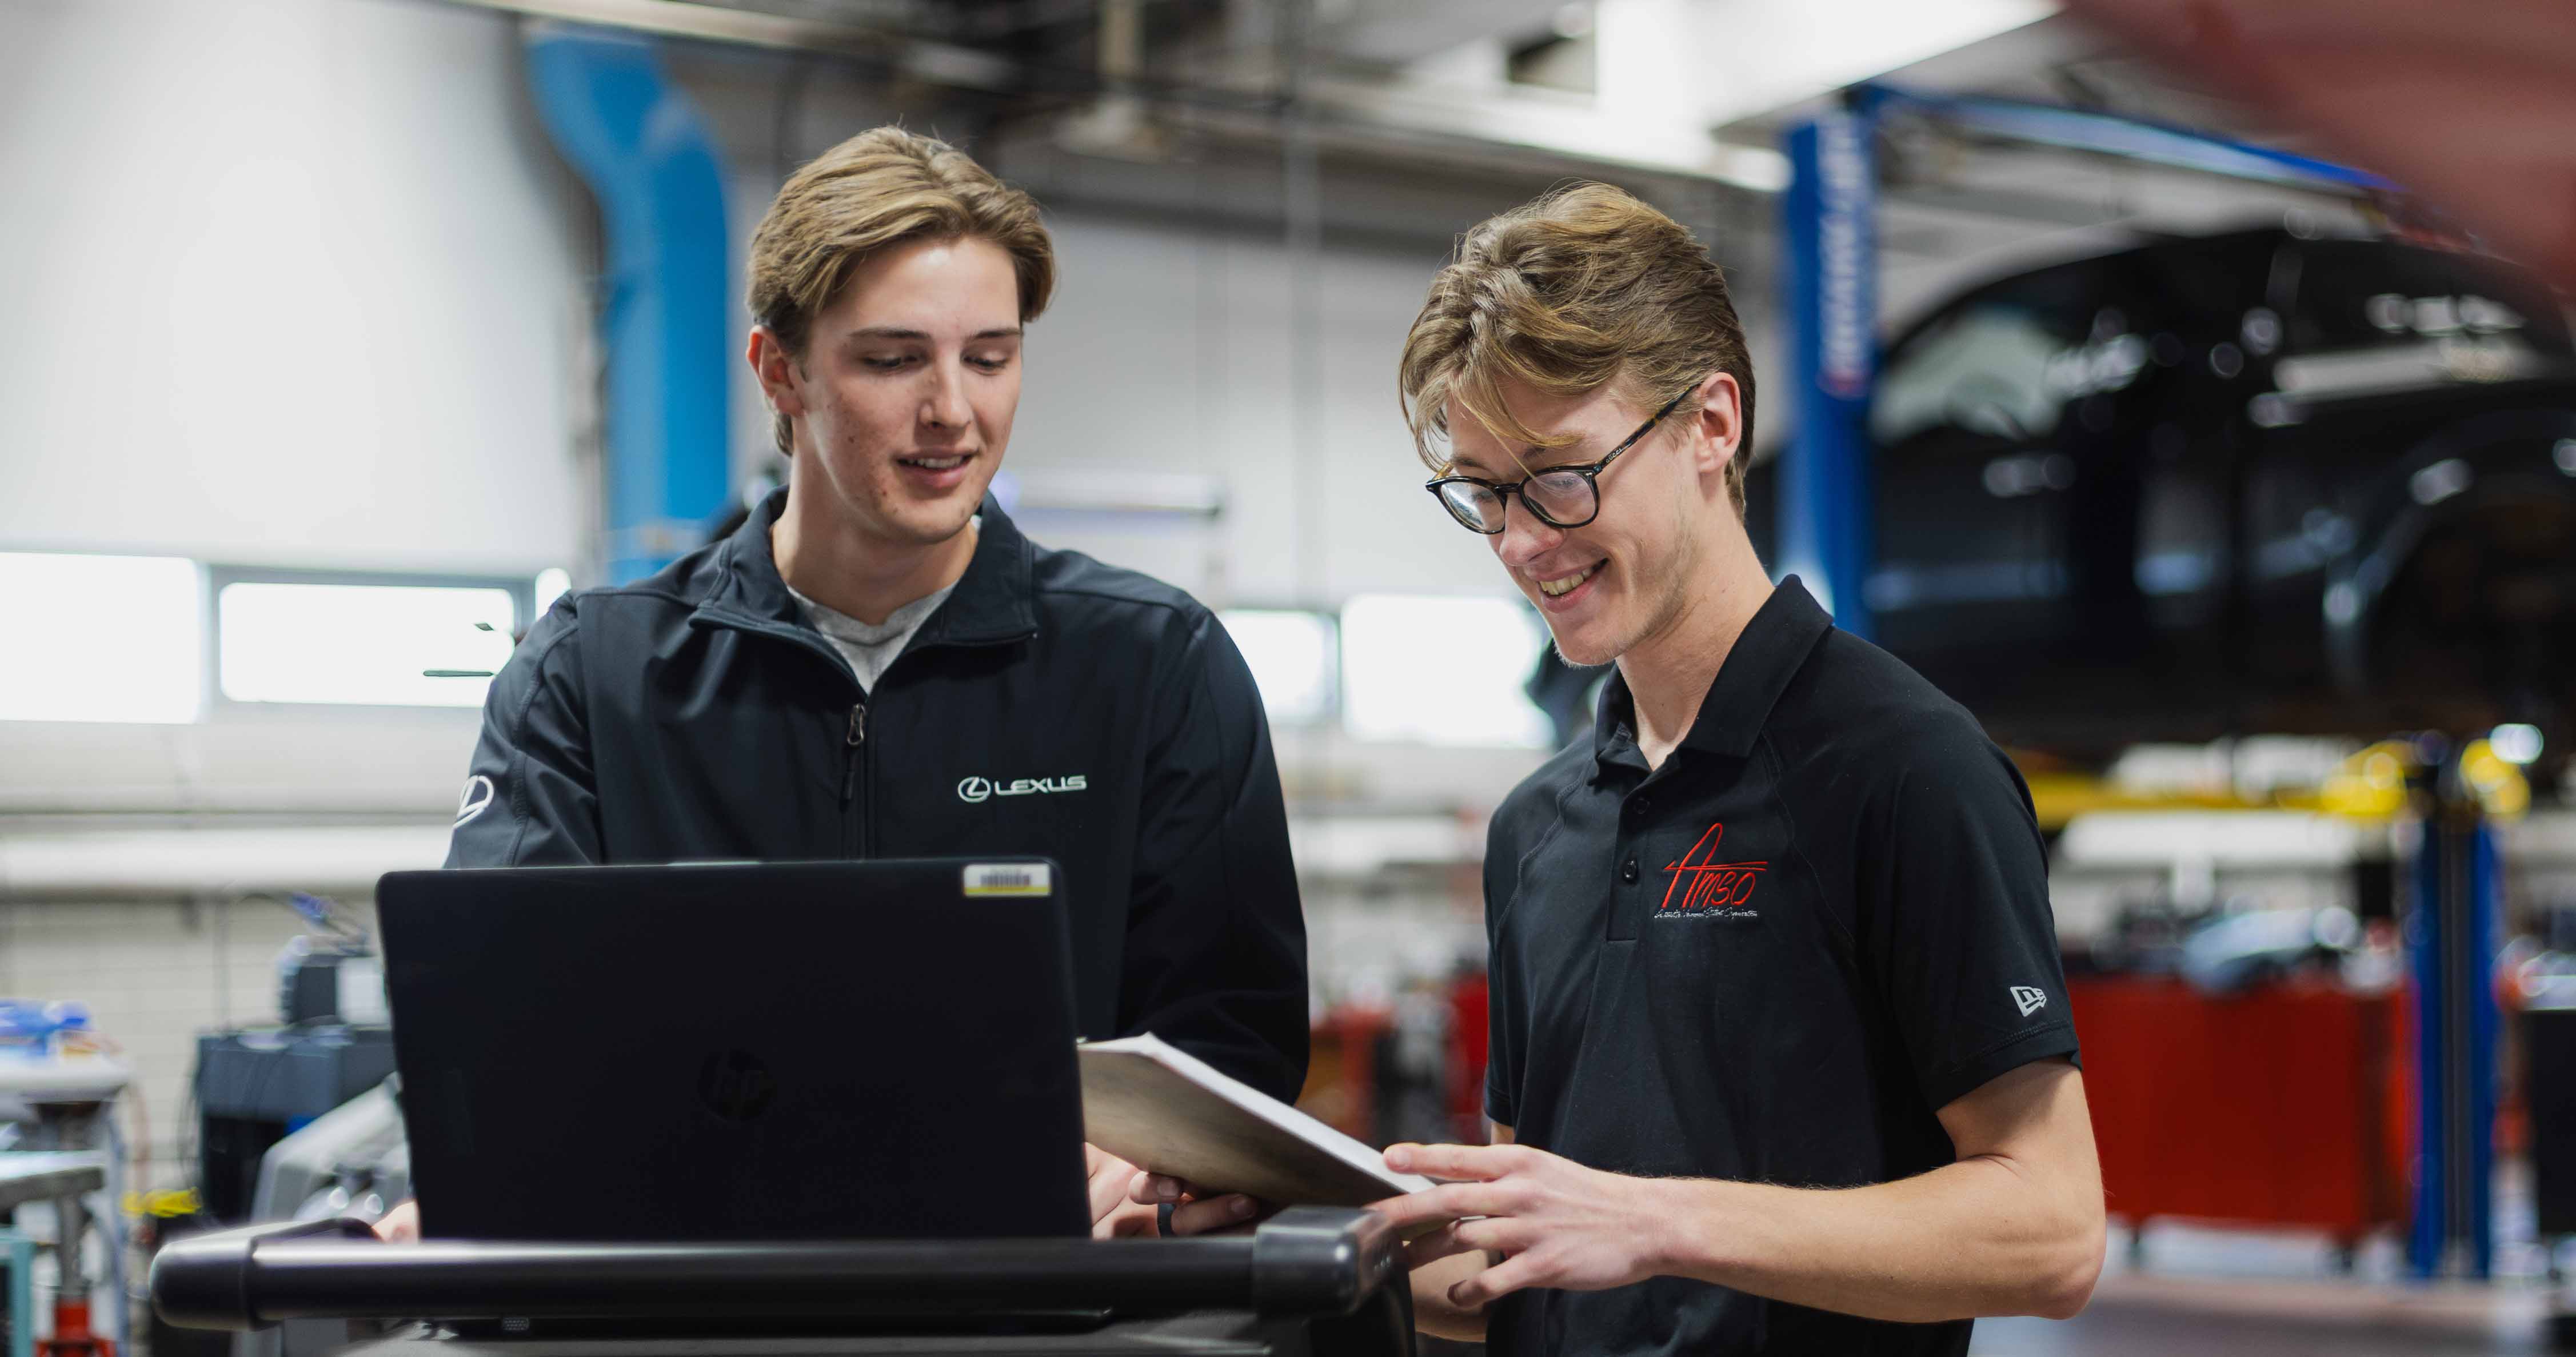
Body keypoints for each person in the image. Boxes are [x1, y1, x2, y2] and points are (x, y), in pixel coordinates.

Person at [387, 126, 1302, 1242]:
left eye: (989, 357)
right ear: (780, 370)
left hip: (1050, 1297)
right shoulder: (592, 675)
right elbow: (496, 1036)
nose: (953, 410)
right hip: (691, 1294)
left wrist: (1149, 1155)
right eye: (893, 359)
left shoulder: (1153, 664)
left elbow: (1234, 1049)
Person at [1351, 183, 2106, 1354]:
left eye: (1559, 474)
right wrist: (1284, 1242)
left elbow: (2049, 1229)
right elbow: (1529, 1262)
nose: (1522, 541)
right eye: (1485, 492)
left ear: (1710, 423)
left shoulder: (1905, 770)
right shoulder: (1536, 828)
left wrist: (1661, 1222)